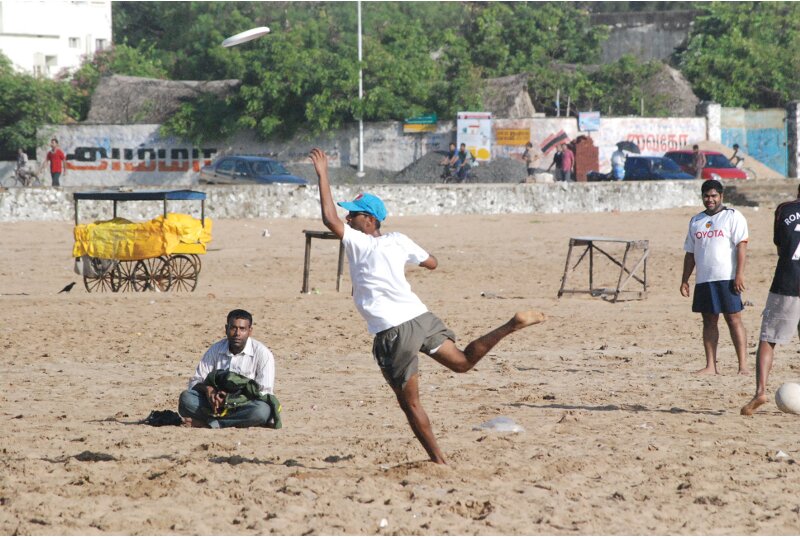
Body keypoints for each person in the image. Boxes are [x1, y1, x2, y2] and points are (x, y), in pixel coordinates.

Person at [308, 148, 545, 464]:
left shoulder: (359, 242)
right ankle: (509, 326)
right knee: (461, 363)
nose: (348, 218)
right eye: (348, 214)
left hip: (393, 332)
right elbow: (432, 263)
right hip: (420, 317)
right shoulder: (398, 239)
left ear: (369, 220)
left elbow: (328, 218)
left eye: (354, 214)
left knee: (411, 405)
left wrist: (323, 174)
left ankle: (439, 461)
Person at [680, 179, 749, 376]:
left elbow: (741, 247)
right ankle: (711, 366)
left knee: (733, 318)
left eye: (713, 196)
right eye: (706, 196)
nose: (710, 200)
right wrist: (685, 279)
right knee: (709, 320)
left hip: (727, 277)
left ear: (721, 196)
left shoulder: (733, 216)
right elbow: (690, 253)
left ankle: (743, 365)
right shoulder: (696, 221)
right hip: (704, 279)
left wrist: (739, 275)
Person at [741, 185, 800, 415]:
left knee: (768, 338)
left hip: (787, 282)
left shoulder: (784, 209)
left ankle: (761, 391)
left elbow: (780, 245)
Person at [178, 309, 281, 429]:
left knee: (262, 411)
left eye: (242, 329)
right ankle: (230, 420)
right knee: (186, 398)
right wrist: (209, 390)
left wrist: (231, 399)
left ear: (250, 331)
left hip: (245, 404)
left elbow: (264, 391)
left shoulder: (262, 353)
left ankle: (212, 423)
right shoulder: (215, 350)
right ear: (226, 329)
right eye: (233, 328)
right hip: (215, 404)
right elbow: (195, 381)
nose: (237, 333)